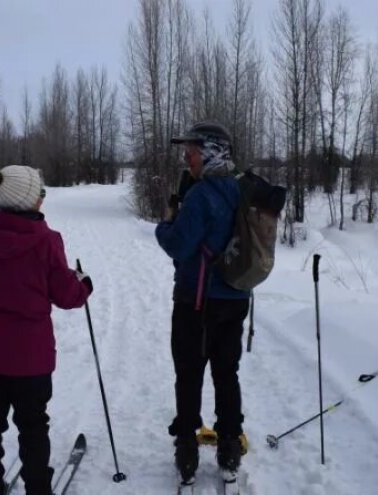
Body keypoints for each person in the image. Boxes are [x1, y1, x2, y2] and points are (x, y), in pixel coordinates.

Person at [0, 165, 93, 495]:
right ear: (29, 200)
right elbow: (66, 295)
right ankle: (38, 489)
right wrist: (84, 284)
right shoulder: (46, 242)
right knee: (33, 425)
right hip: (29, 358)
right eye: (40, 193)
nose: (42, 198)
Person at [155, 121, 251, 483]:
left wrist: (165, 224)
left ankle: (187, 449)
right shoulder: (241, 189)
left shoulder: (200, 195)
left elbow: (178, 244)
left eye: (192, 151)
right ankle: (229, 449)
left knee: (189, 373)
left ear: (210, 153)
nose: (187, 157)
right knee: (227, 373)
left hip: (196, 302)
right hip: (235, 298)